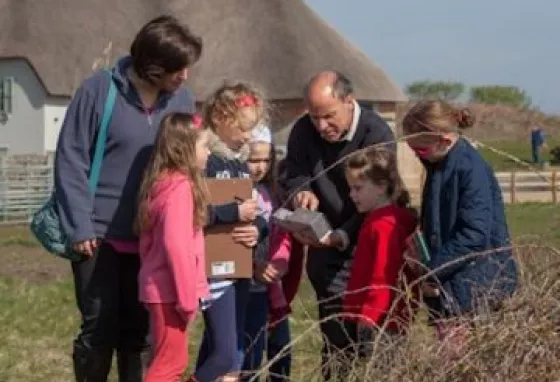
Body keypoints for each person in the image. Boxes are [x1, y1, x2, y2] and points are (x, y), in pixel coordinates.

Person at [53, 15, 202, 381]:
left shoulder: (181, 99)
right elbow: (71, 158)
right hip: (97, 235)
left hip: (150, 237)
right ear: (152, 66)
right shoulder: (98, 91)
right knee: (99, 330)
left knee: (138, 336)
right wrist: (79, 225)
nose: (185, 76)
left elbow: (190, 159)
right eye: (177, 68)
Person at [281, 70, 395, 380]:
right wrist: (300, 191)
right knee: (335, 345)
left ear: (349, 101)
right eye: (315, 117)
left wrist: (345, 233)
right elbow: (293, 172)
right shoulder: (304, 131)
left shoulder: (377, 134)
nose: (321, 126)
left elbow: (381, 197)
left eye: (329, 116)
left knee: (374, 347)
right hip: (325, 252)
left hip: (369, 246)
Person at [402, 100, 518, 351]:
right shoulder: (440, 164)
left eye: (420, 150)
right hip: (454, 285)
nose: (416, 155)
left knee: (463, 365)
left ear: (444, 140)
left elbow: (474, 234)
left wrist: (433, 270)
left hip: (476, 289)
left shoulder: (469, 168)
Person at [194, 82, 267, 382]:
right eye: (244, 127)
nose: (249, 135)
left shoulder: (239, 163)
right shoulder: (204, 159)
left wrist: (257, 231)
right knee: (224, 354)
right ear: (222, 117)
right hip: (212, 272)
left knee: (232, 353)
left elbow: (256, 212)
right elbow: (193, 213)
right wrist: (233, 214)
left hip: (238, 269)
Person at [136, 113, 210, 382]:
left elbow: (146, 244)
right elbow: (176, 246)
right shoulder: (180, 188)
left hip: (159, 290)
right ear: (185, 149)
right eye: (204, 146)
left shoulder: (159, 184)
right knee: (169, 367)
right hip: (172, 294)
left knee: (167, 361)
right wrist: (187, 299)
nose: (209, 152)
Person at [342, 147, 418, 368]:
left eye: (357, 188)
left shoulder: (384, 226)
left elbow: (383, 276)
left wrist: (367, 318)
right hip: (384, 318)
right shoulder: (377, 220)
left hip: (382, 321)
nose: (351, 195)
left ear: (381, 187)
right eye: (350, 188)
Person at [241, 126, 292, 381]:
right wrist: (253, 266)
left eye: (265, 159)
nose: (259, 167)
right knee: (249, 352)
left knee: (281, 349)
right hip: (244, 284)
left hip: (272, 285)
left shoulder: (272, 193)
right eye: (253, 160)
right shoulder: (235, 193)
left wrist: (280, 261)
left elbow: (281, 232)